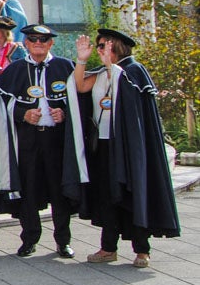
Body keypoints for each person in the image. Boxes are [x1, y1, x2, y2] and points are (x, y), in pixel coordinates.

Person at [74, 28, 180, 267]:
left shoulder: (133, 70)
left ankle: (142, 249)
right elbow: (80, 86)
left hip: (129, 146)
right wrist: (82, 59)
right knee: (106, 195)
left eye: (104, 46)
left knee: (132, 192)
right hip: (103, 144)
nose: (100, 50)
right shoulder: (101, 72)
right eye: (99, 46)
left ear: (117, 46)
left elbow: (128, 93)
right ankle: (108, 247)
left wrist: (111, 66)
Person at [0, 24, 86, 259]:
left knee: (59, 191)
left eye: (43, 39)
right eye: (33, 39)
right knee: (29, 189)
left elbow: (81, 97)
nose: (38, 43)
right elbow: (0, 102)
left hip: (55, 140)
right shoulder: (15, 69)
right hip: (28, 140)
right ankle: (29, 238)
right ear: (25, 43)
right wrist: (22, 114)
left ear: (51, 44)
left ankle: (63, 241)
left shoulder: (64, 66)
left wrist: (64, 112)